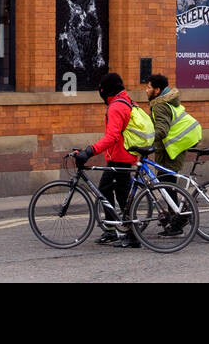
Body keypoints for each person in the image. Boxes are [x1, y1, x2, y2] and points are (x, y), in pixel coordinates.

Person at [75, 73, 139, 248]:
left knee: (115, 194)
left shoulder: (116, 107)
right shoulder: (127, 101)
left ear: (105, 91)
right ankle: (114, 230)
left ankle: (130, 235)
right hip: (123, 156)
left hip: (120, 157)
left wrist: (89, 151)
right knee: (111, 192)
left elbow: (111, 137)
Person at [145, 74, 191, 236]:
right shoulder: (166, 101)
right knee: (167, 183)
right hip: (172, 149)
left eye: (149, 87)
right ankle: (174, 218)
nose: (146, 90)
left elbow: (162, 130)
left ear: (157, 90)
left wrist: (146, 140)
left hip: (170, 151)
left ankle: (178, 222)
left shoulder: (160, 105)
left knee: (167, 184)